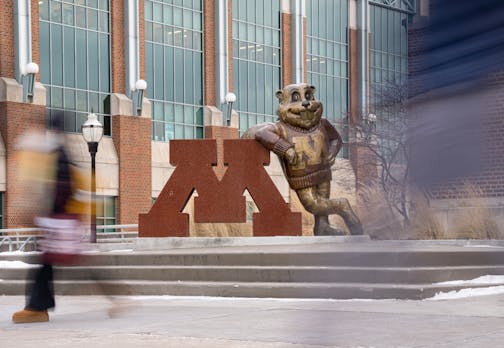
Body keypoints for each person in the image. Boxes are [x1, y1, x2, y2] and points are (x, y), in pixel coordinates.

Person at [12, 111, 84, 324]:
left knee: (48, 262)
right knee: (47, 262)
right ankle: (37, 306)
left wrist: (46, 213)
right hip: (58, 219)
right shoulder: (60, 151)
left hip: (57, 220)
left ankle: (37, 307)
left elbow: (60, 187)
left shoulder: (57, 152)